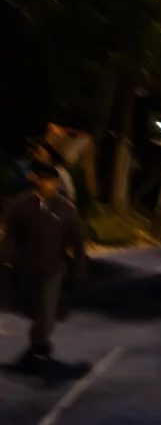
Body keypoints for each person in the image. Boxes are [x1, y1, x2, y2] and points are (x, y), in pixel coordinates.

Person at [0, 157, 85, 370]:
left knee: (47, 309)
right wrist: (5, 260)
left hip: (53, 267)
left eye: (54, 181)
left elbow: (76, 240)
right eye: (46, 180)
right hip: (25, 267)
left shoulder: (65, 209)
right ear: (35, 180)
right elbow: (10, 237)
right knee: (29, 305)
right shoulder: (19, 206)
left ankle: (40, 340)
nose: (51, 185)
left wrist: (78, 264)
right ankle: (38, 333)